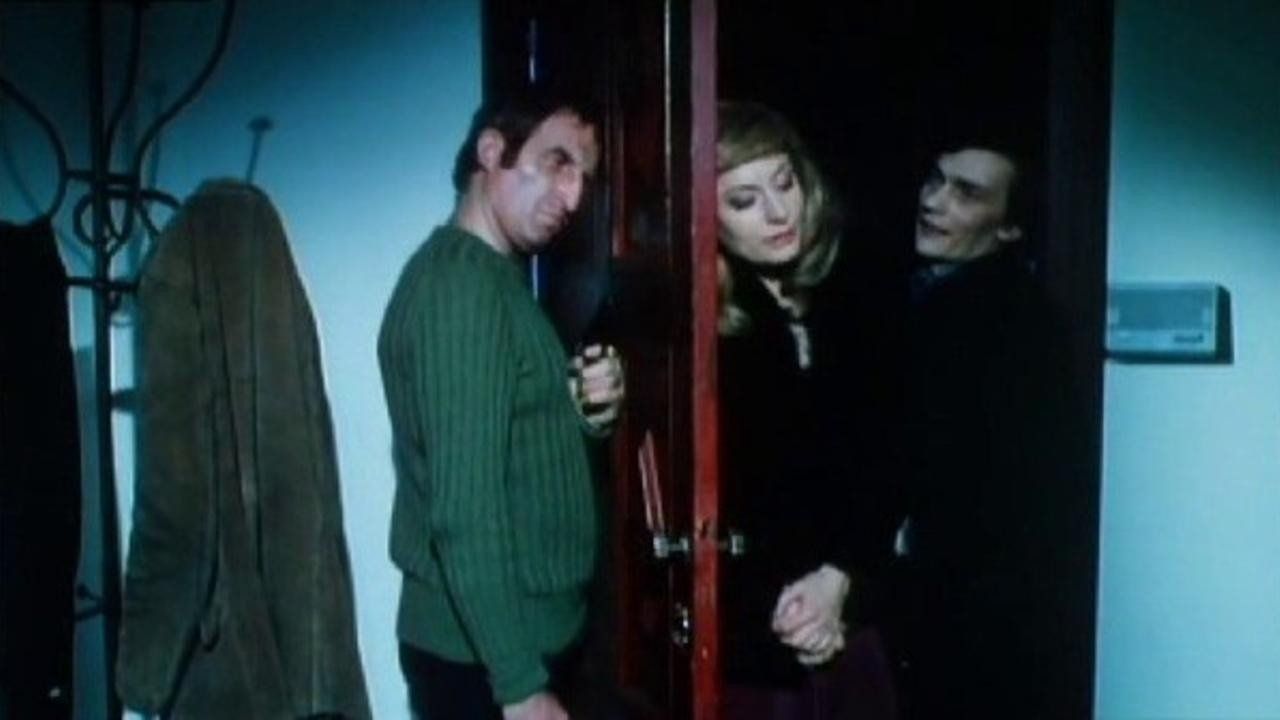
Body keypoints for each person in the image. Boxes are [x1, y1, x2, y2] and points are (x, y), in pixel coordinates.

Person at [377, 92, 625, 720]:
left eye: (582, 178)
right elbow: (464, 509)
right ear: (492, 151)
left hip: (510, 645)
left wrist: (581, 416)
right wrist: (519, 685)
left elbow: (511, 451)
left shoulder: (490, 280)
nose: (572, 197)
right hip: (488, 663)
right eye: (557, 163)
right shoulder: (462, 290)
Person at [890, 140, 1092, 718]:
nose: (934, 201)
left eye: (967, 194)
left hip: (977, 615)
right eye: (935, 180)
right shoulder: (924, 296)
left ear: (1009, 228)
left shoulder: (1012, 323)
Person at [714, 101, 901, 719]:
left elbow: (891, 459)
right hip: (754, 638)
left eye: (784, 183)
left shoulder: (858, 291)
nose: (777, 213)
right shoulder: (688, 324)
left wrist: (839, 579)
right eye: (744, 201)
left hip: (848, 615)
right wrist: (795, 613)